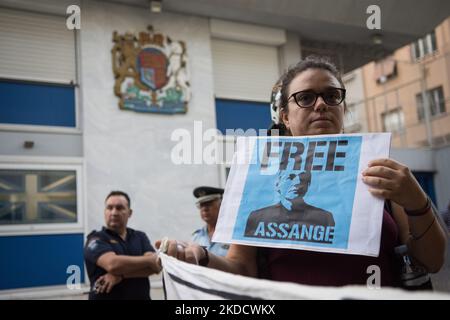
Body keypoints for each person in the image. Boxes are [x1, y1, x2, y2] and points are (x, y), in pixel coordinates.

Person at [157, 56, 447, 288]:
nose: (321, 104)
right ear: (285, 115)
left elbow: (431, 262)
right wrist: (200, 256)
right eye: (305, 98)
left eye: (332, 96)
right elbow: (242, 269)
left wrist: (417, 202)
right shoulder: (258, 178)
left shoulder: (378, 170)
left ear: (343, 107)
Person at [84, 191, 161, 300]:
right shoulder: (95, 239)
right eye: (109, 208)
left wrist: (120, 276)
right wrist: (149, 260)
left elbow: (156, 267)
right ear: (105, 211)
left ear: (129, 213)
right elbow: (113, 264)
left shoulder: (139, 236)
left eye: (119, 208)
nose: (114, 212)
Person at [245, 170, 335, 239]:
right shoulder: (257, 217)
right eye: (290, 178)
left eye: (303, 179)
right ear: (277, 184)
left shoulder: (325, 218)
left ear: (309, 185)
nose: (297, 183)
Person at [191, 186, 229, 256]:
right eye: (201, 205)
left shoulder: (231, 234)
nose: (204, 209)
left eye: (209, 204)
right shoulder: (196, 237)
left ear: (221, 205)